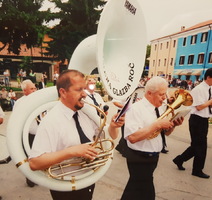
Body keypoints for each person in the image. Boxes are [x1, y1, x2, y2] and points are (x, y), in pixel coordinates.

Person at [29, 69, 124, 200]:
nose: (84, 94)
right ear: (63, 92)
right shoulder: (51, 121)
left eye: (84, 89)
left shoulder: (87, 112)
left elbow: (108, 137)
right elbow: (35, 163)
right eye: (79, 89)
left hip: (87, 180)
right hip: (65, 188)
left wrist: (113, 126)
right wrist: (71, 152)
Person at [120, 76, 184, 200]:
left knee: (135, 191)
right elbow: (132, 137)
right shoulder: (135, 109)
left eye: (164, 94)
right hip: (139, 157)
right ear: (149, 93)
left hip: (153, 156)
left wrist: (172, 126)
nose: (164, 97)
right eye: (161, 94)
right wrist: (157, 124)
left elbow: (164, 134)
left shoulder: (159, 107)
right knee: (145, 192)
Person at [173, 68, 212, 179]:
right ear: (209, 77)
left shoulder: (209, 88)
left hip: (204, 120)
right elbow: (199, 107)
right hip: (197, 119)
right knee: (201, 147)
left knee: (197, 146)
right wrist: (210, 102)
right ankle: (197, 170)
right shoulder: (199, 89)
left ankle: (179, 159)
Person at [13, 79, 37, 187]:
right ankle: (30, 178)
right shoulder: (20, 103)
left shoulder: (40, 99)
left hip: (40, 132)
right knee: (29, 156)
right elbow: (16, 120)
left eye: (35, 88)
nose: (34, 90)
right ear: (25, 91)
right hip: (28, 134)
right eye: (31, 89)